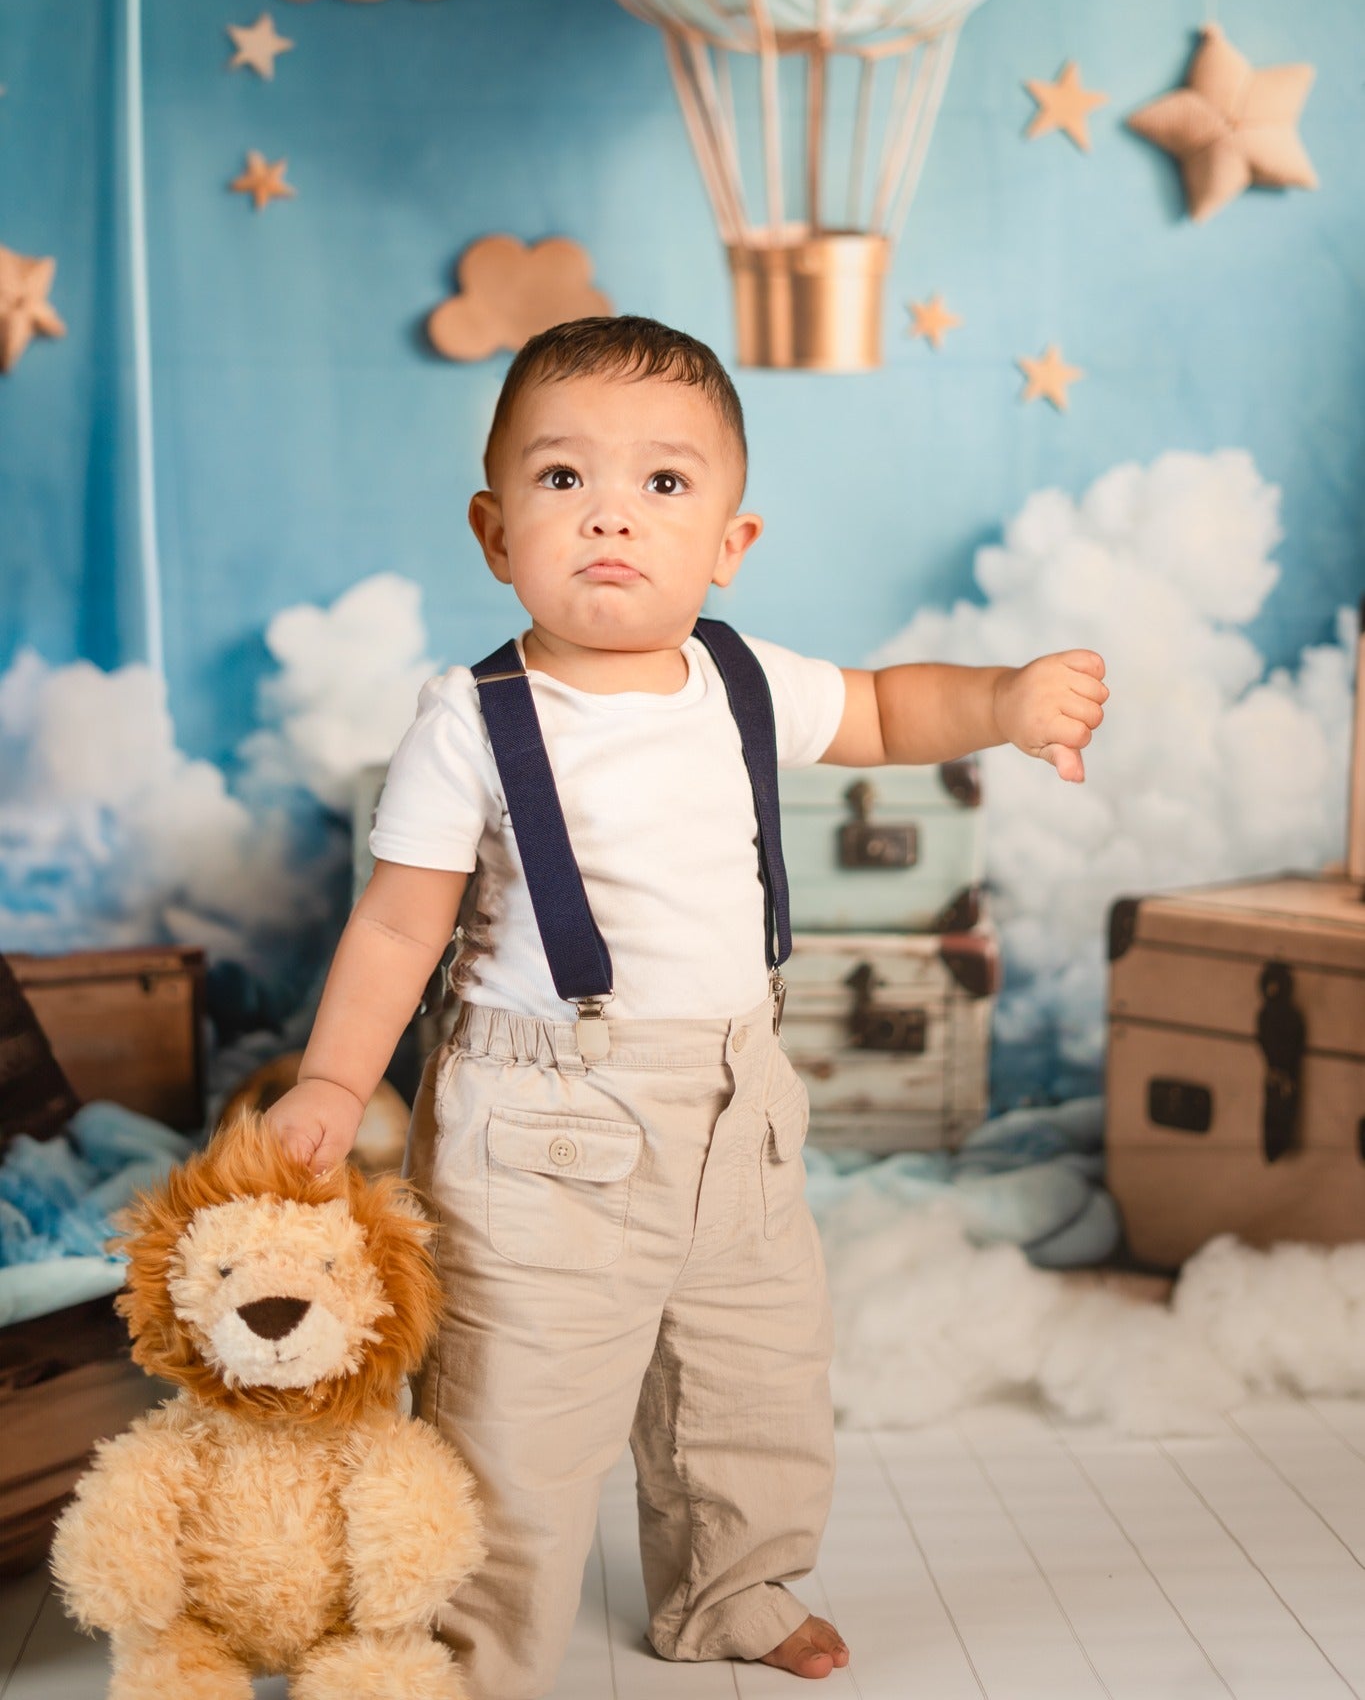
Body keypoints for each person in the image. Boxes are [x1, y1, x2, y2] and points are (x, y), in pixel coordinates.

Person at [265, 313, 1108, 1696]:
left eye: (663, 485)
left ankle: (730, 1588)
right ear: (492, 530)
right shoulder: (470, 720)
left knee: (750, 1373)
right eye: (561, 481)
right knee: (512, 1410)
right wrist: (334, 1084)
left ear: (729, 541)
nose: (611, 515)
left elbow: (894, 713)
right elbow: (400, 920)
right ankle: (464, 1648)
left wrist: (1005, 699)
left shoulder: (741, 678)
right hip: (540, 1126)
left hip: (738, 1103)